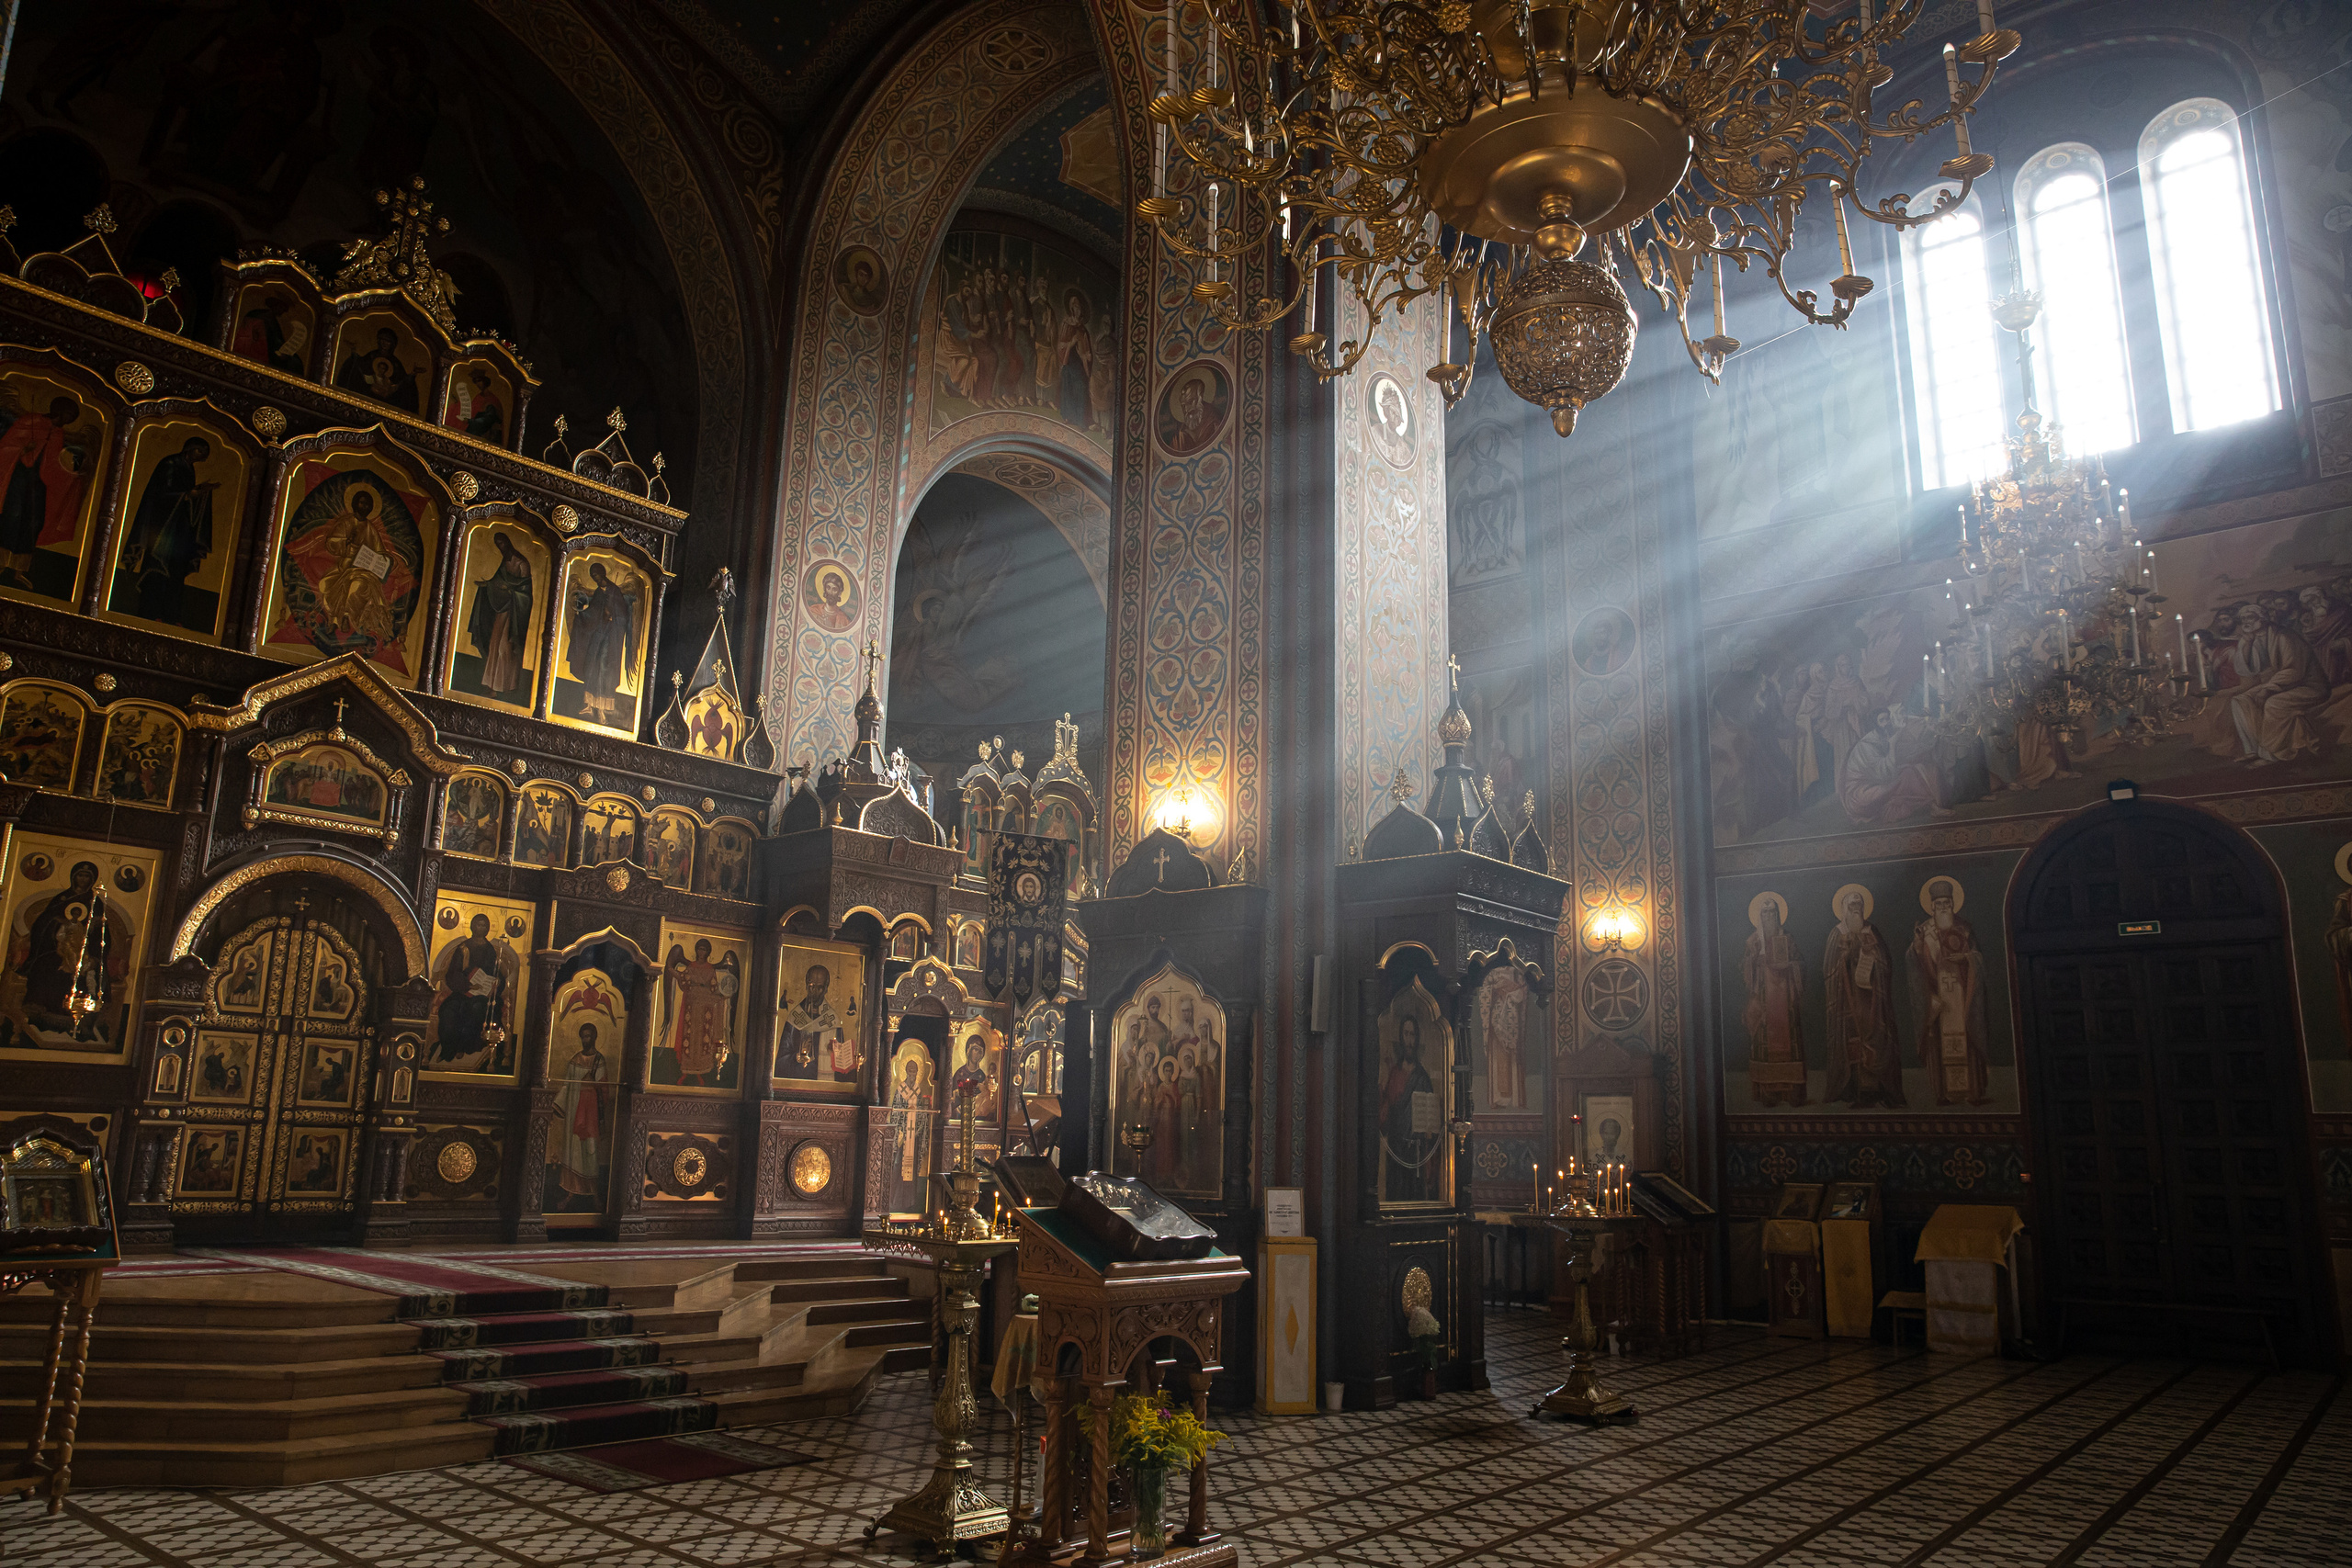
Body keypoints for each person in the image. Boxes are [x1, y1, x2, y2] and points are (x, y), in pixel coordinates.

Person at [118, 436, 217, 627]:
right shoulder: (170, 464)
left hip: (178, 528)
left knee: (175, 573)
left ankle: (170, 616)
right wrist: (188, 495)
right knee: (157, 570)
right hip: (163, 530)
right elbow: (161, 494)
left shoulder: (188, 467)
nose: (203, 457)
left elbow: (183, 496)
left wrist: (198, 493)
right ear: (190, 449)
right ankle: (150, 613)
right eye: (200, 452)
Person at [1910, 878, 1991, 1107]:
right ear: (1931, 906)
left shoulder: (1965, 928)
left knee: (1968, 1037)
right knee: (1938, 1041)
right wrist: (1917, 946)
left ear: (1954, 903)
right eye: (1939, 903)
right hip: (1938, 996)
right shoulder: (1924, 931)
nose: (1943, 907)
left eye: (1947, 902)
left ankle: (1972, 1091)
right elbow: (1914, 963)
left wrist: (1966, 958)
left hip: (1963, 993)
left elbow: (1979, 958)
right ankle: (1942, 1093)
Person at [1822, 889, 1904, 1108]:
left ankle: (1877, 1090)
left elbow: (1886, 962)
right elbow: (1829, 969)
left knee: (1876, 1039)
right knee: (1851, 1043)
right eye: (1852, 906)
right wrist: (1845, 959)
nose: (1856, 909)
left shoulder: (1871, 931)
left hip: (1872, 1002)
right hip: (1847, 1001)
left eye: (1859, 905)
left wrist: (1874, 957)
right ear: (1844, 909)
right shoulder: (1837, 933)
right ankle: (1854, 1089)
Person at [2229, 594, 2330, 765]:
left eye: (2250, 617)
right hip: (2282, 685)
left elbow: (2294, 670)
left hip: (2308, 686)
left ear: (2262, 619)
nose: (2246, 622)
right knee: (2240, 700)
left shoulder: (2284, 636)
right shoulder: (2252, 638)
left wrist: (2269, 689)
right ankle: (2253, 749)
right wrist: (2246, 644)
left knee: (2274, 704)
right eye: (2243, 619)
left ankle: (2272, 754)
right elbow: (2247, 670)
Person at [0, 394, 89, 588]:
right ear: (59, 409)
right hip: (18, 476)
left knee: (34, 522)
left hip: (38, 483)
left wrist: (72, 477)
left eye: (73, 416)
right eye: (69, 413)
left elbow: (53, 465)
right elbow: (6, 446)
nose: (69, 418)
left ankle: (19, 570)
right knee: (12, 517)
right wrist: (22, 450)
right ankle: (1, 563)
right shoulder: (31, 421)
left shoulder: (58, 433)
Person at [1838, 708, 1952, 826]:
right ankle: (1931, 807)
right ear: (1875, 724)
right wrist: (1893, 745)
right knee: (1905, 777)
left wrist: (1930, 734)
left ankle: (1932, 806)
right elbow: (1884, 774)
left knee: (1909, 772)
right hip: (1860, 794)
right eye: (1882, 720)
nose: (1886, 723)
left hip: (1876, 783)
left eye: (1888, 719)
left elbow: (1908, 754)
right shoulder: (1866, 746)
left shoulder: (1884, 738)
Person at [1743, 896, 1805, 1106]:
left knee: (1788, 1043)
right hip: (1763, 1001)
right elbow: (1743, 970)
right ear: (1759, 916)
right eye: (1765, 912)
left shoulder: (1788, 937)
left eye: (1772, 912)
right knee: (1765, 1043)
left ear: (1778, 915)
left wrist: (1791, 964)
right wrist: (1753, 961)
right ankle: (1767, 1092)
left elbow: (1800, 963)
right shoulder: (1753, 941)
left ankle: (1791, 1092)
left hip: (1784, 999)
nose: (1769, 916)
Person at [427, 913, 511, 1069]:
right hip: (463, 991)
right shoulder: (463, 948)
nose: (481, 928)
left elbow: (495, 972)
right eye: (478, 924)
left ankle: (466, 1048)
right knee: (448, 1010)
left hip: (484, 995)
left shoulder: (490, 950)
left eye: (484, 925)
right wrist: (467, 985)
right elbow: (452, 973)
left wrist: (496, 982)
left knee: (477, 1009)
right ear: (472, 926)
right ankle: (448, 1049)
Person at [565, 561, 639, 727]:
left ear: (603, 574)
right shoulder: (599, 593)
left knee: (604, 668)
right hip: (598, 635)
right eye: (593, 577)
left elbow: (623, 617)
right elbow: (592, 612)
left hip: (610, 638)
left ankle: (602, 711)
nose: (596, 579)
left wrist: (612, 616)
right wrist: (582, 615)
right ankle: (589, 705)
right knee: (592, 664)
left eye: (597, 576)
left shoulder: (615, 592)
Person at [464, 532, 534, 702]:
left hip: (515, 613)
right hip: (502, 610)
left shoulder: (521, 563)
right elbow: (498, 581)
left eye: (502, 544)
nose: (500, 547)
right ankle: (492, 688)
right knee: (495, 645)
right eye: (498, 544)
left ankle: (508, 686)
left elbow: (525, 592)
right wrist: (487, 585)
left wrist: (509, 591)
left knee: (506, 647)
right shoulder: (505, 562)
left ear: (508, 542)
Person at [1379, 1013, 1439, 1202]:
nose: (1409, 1040)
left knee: (1415, 1198)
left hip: (1416, 1154)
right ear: (1401, 1037)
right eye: (1406, 1034)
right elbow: (1384, 1121)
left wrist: (1429, 1160)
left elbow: (1431, 1128)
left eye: (1413, 1035)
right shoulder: (1394, 1073)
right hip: (1396, 1151)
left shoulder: (1423, 1079)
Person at [552, 1022, 609, 1209]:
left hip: (590, 1113)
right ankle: (570, 1192)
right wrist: (558, 1105)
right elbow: (567, 1086)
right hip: (574, 1111)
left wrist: (593, 1085)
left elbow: (604, 1088)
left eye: (589, 1036)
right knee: (573, 1151)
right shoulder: (575, 1060)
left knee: (590, 1151)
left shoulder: (599, 1061)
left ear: (595, 1037)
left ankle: (593, 1194)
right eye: (583, 1036)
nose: (586, 1039)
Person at [663, 939, 732, 1087]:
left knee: (703, 1038)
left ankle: (701, 1072)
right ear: (696, 950)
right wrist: (671, 970)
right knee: (689, 1036)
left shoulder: (710, 969)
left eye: (704, 950)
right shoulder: (691, 967)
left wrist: (723, 994)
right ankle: (686, 1072)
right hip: (692, 1004)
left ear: (708, 952)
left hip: (706, 1006)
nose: (701, 952)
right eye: (699, 949)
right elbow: (683, 979)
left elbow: (713, 988)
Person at [779, 963, 845, 1080]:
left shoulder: (832, 1020)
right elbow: (780, 1062)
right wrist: (797, 1057)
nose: (814, 991)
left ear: (826, 988)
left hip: (825, 1087)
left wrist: (835, 1055)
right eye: (811, 986)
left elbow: (843, 1065)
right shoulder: (795, 1017)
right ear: (805, 986)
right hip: (797, 1083)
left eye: (819, 987)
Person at [336, 326, 420, 412]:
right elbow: (360, 366)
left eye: (388, 341)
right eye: (382, 340)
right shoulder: (372, 355)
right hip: (365, 399)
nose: (384, 343)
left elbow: (401, 381)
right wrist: (354, 353)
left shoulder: (396, 363)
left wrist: (412, 375)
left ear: (392, 344)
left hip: (388, 404)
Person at [232, 293, 308, 374]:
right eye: (282, 308)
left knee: (297, 363)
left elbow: (276, 341)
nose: (284, 312)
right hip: (259, 354)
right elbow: (255, 340)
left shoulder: (273, 321)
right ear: (276, 305)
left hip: (271, 352)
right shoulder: (259, 316)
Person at [1057, 288, 1093, 428]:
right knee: (1069, 385)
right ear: (1071, 308)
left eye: (1078, 306)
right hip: (1069, 360)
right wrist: (1071, 343)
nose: (1076, 309)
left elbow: (1087, 347)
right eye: (1074, 306)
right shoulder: (1066, 324)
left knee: (1081, 386)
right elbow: (1060, 344)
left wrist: (1087, 355)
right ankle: (1069, 416)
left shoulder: (1083, 329)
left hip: (1080, 362)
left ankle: (1081, 419)